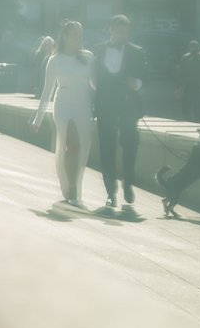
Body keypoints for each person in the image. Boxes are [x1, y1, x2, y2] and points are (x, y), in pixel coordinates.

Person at [30, 21, 96, 206]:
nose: (78, 38)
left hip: (83, 106)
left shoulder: (88, 57)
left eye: (81, 35)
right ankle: (73, 189)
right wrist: (38, 118)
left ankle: (69, 185)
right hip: (63, 106)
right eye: (74, 34)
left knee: (77, 149)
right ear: (65, 36)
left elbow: (95, 85)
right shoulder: (55, 59)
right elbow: (47, 90)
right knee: (73, 145)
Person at [93, 14, 148, 214]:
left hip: (128, 105)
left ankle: (128, 183)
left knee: (130, 145)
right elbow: (93, 79)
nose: (122, 35)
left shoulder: (137, 52)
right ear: (110, 30)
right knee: (107, 148)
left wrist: (137, 84)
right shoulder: (98, 50)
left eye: (125, 32)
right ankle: (110, 191)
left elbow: (145, 77)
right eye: (118, 31)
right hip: (105, 106)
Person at [175, 39, 200, 122]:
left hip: (194, 85)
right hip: (195, 86)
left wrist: (178, 87)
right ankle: (195, 120)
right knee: (193, 105)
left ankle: (192, 120)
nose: (193, 48)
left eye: (194, 47)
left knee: (192, 105)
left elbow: (181, 73)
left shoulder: (187, 57)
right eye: (192, 47)